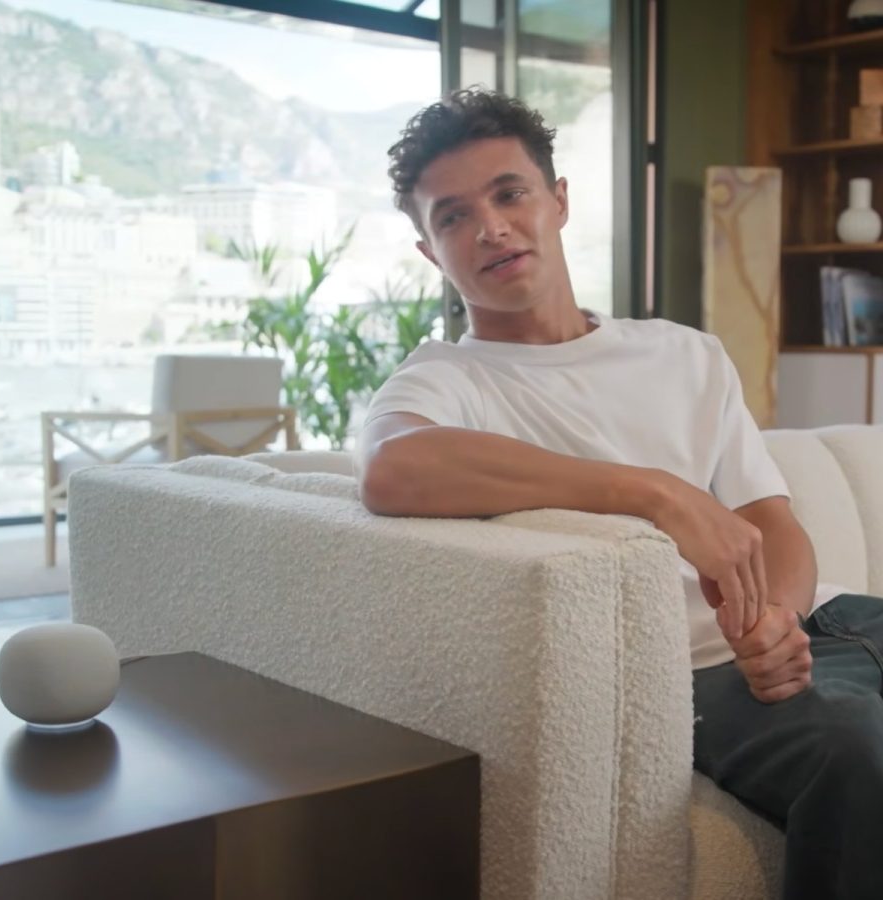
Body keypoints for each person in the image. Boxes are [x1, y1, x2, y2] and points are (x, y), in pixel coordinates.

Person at [357, 87, 883, 899]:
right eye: (454, 216)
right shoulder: (444, 381)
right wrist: (652, 493)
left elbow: (770, 521)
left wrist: (774, 618)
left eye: (509, 193)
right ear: (431, 251)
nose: (491, 227)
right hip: (688, 676)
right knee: (859, 750)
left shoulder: (684, 354)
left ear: (558, 201)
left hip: (826, 625)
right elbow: (393, 470)